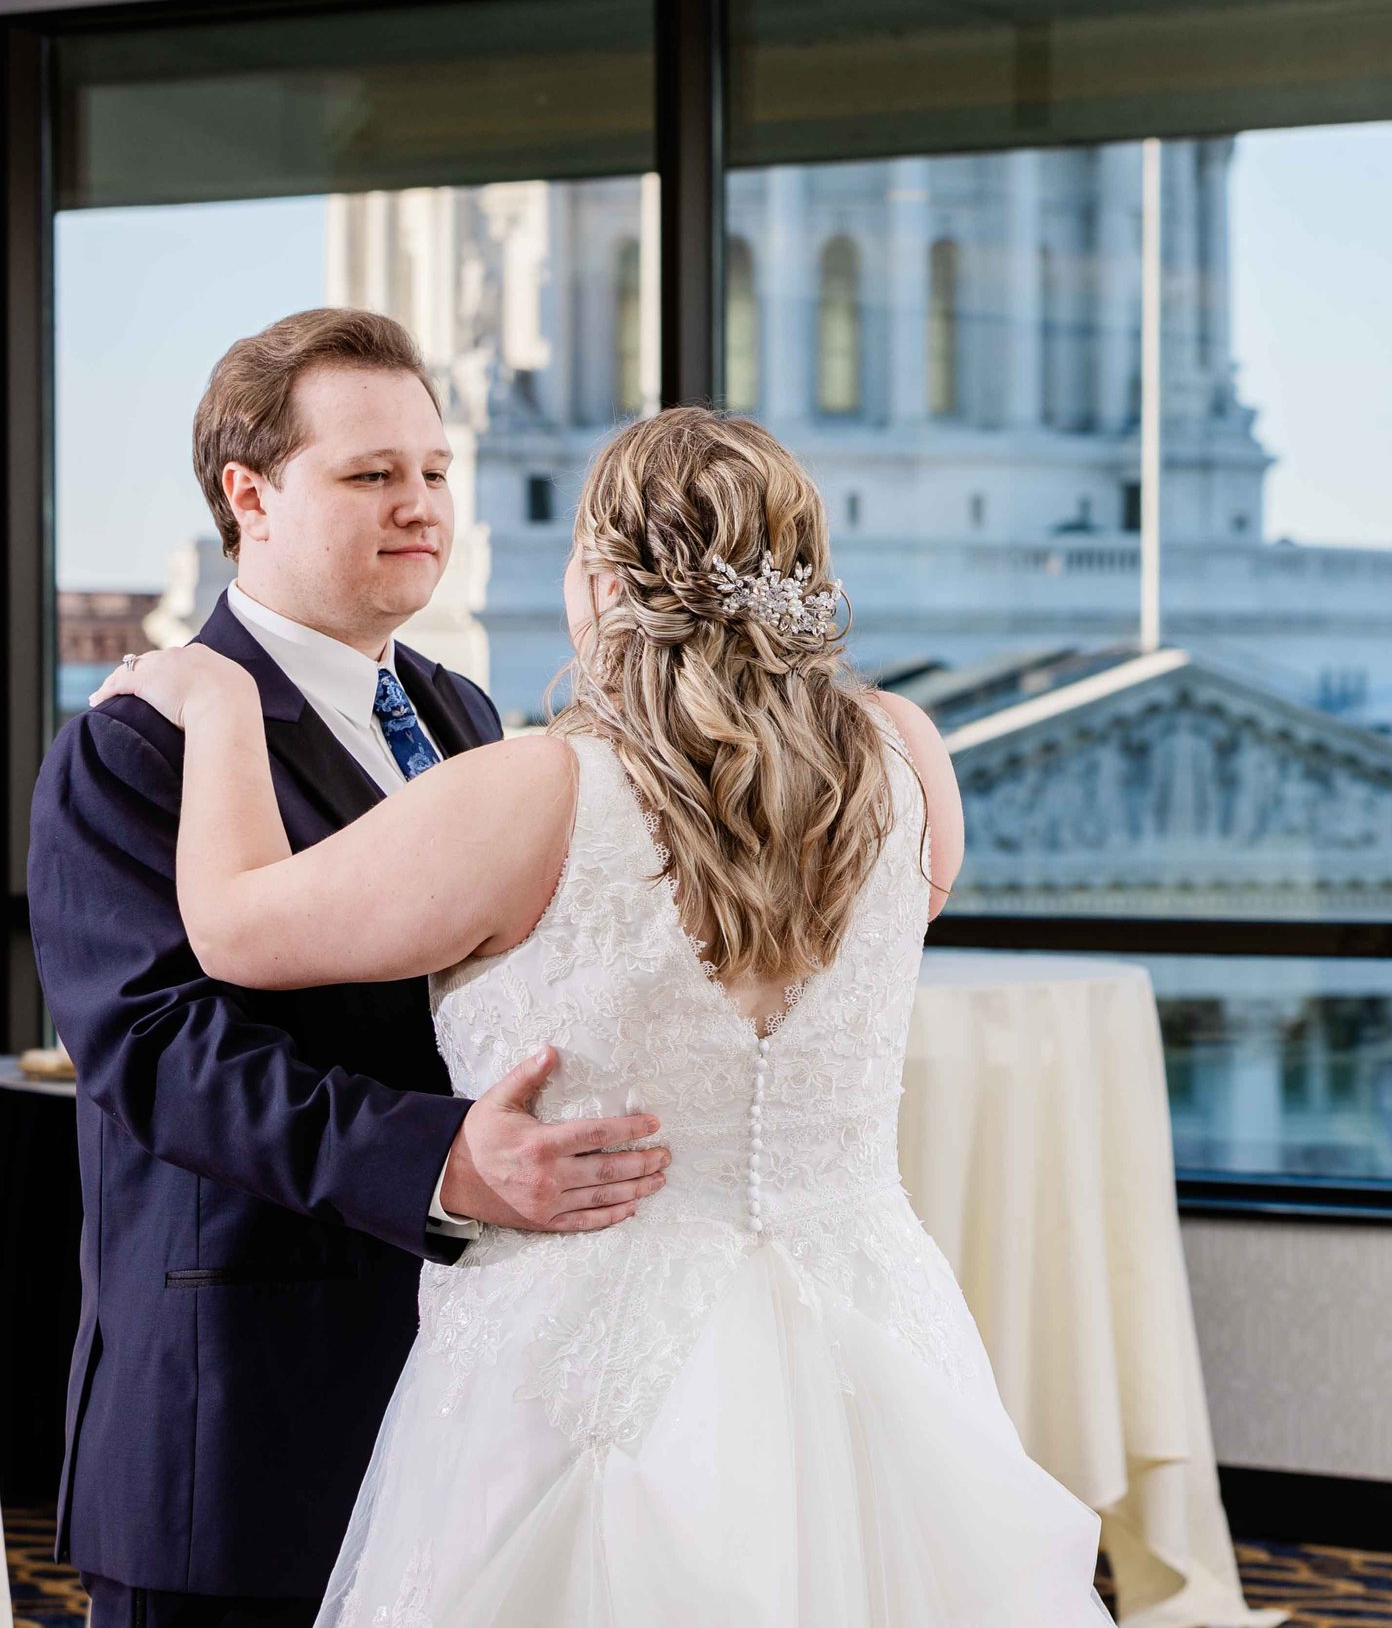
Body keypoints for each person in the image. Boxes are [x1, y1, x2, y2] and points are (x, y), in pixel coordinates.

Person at [90, 404, 1117, 1625]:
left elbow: (235, 928)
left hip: (590, 1344)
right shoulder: (908, 752)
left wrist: (211, 708)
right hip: (870, 1322)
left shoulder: (537, 786)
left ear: (598, 579)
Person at [28, 308, 671, 1628]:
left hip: (458, 1388)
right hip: (243, 1409)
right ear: (249, 495)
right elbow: (159, 1053)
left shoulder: (459, 708)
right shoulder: (140, 738)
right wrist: (445, 1160)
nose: (421, 505)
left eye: (436, 471)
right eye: (372, 474)